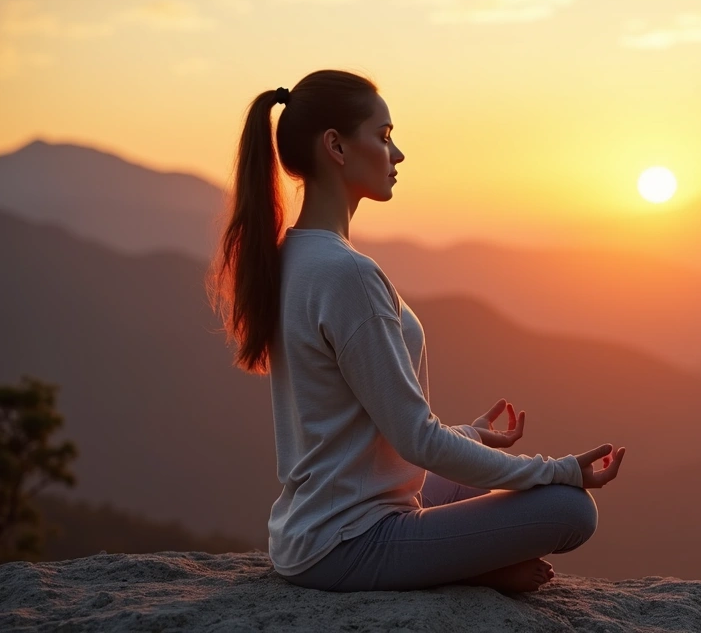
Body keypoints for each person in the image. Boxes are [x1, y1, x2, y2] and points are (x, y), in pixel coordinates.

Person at [205, 69, 626, 594]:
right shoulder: (347, 274)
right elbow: (416, 438)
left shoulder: (295, 256)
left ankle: (469, 564)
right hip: (352, 541)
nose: (397, 153)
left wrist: (470, 438)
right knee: (570, 509)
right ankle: (474, 570)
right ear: (335, 146)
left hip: (315, 529)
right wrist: (556, 470)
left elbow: (373, 426)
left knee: (497, 483)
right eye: (383, 137)